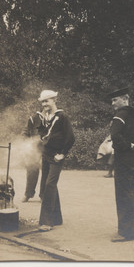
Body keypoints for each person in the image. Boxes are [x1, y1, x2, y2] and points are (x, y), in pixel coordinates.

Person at [109, 87, 134, 242]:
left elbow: (114, 136)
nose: (112, 103)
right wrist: (133, 144)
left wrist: (127, 145)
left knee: (123, 193)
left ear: (125, 99)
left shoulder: (120, 115)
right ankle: (133, 230)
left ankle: (125, 232)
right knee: (131, 191)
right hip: (132, 158)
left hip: (123, 158)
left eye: (115, 100)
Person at [37, 90, 75, 231]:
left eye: (47, 101)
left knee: (49, 185)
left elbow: (71, 138)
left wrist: (62, 153)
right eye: (42, 102)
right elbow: (43, 135)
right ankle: (56, 218)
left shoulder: (62, 116)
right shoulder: (45, 117)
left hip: (56, 156)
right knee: (48, 184)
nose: (44, 104)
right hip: (46, 155)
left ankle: (47, 222)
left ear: (54, 100)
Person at [21, 110, 45, 202]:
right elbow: (25, 132)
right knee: (31, 171)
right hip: (34, 150)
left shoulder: (53, 118)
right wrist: (28, 142)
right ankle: (28, 194)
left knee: (46, 172)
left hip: (47, 149)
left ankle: (43, 195)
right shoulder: (33, 118)